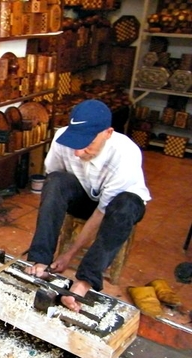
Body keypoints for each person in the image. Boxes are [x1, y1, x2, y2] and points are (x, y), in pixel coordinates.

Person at [25, 99, 151, 312]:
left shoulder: (125, 154)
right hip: (85, 196)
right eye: (75, 141)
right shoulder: (62, 139)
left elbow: (101, 212)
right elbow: (55, 181)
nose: (77, 152)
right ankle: (40, 261)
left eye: (87, 144)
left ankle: (84, 282)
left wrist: (69, 254)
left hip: (118, 206)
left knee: (125, 206)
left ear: (108, 133)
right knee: (55, 182)